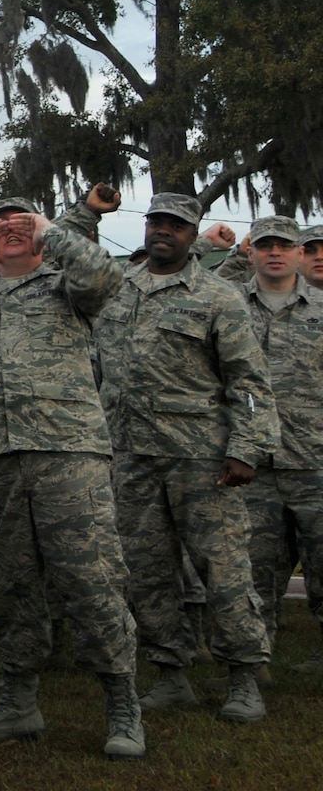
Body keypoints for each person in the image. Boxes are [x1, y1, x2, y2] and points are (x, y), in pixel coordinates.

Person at [0, 194, 143, 758]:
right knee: (11, 585)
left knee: (92, 578)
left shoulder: (67, 285)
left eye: (22, 222)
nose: (10, 229)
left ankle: (122, 702)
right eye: (1, 223)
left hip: (68, 451)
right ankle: (18, 700)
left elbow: (105, 274)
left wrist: (50, 230)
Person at [94, 192, 279, 724]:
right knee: (146, 572)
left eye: (176, 225)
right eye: (156, 222)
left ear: (193, 235)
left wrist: (245, 448)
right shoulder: (117, 292)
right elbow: (98, 370)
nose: (163, 232)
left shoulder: (218, 296)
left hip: (202, 459)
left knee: (223, 569)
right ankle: (171, 673)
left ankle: (243, 675)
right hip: (131, 457)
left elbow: (249, 381)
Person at [229, 216, 323, 673]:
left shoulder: (322, 310)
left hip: (315, 459)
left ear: (300, 254)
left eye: (285, 245)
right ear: (250, 252)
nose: (274, 253)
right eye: (264, 244)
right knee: (256, 565)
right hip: (252, 461)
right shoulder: (226, 305)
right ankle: (255, 654)